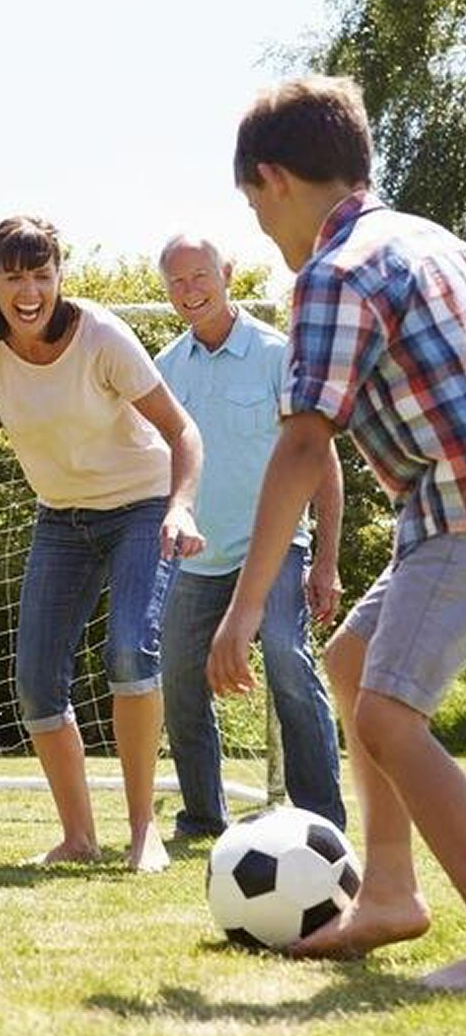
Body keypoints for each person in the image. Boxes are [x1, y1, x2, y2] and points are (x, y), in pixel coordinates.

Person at [208, 76, 466, 990]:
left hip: (458, 509)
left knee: (388, 719)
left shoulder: (335, 269)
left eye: (252, 204)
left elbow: (304, 443)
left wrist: (242, 611)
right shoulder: (429, 239)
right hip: (435, 512)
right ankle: (391, 893)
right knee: (354, 662)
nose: (261, 229)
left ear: (274, 179)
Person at [0, 216, 204, 871]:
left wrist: (179, 508)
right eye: (14, 276)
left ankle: (143, 832)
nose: (28, 291)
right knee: (36, 683)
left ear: (60, 278)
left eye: (41, 275)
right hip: (62, 518)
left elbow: (183, 433)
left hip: (141, 510)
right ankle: (79, 838)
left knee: (129, 651)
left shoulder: (101, 336)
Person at [155, 233, 346, 836]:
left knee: (289, 659)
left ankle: (322, 822)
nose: (190, 291)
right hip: (197, 559)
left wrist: (327, 563)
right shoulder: (164, 369)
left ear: (227, 273)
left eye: (200, 276)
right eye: (177, 282)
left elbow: (324, 460)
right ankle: (204, 817)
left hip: (278, 549)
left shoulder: (275, 354)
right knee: (179, 677)